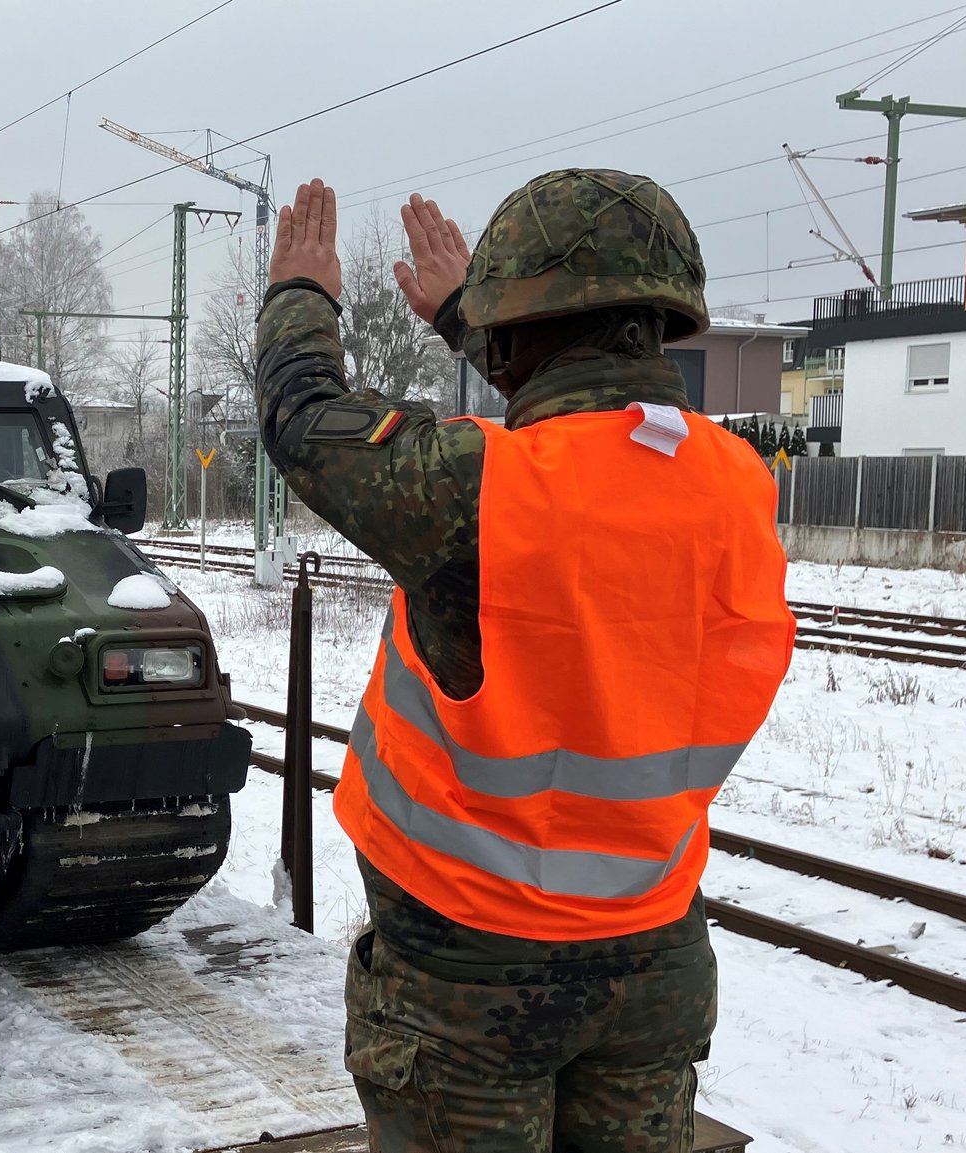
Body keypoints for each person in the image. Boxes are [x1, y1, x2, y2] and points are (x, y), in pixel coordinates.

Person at [257, 173, 795, 1152]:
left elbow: (302, 421)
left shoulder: (480, 487)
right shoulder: (735, 484)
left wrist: (300, 291)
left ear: (510, 336)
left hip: (468, 967)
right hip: (651, 950)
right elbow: (588, 419)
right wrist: (474, 316)